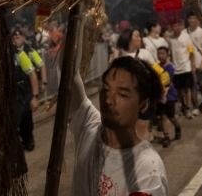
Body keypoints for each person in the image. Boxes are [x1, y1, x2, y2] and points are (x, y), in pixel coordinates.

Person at [70, 56, 168, 196]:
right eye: (106, 89)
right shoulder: (89, 125)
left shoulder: (148, 169)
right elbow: (69, 70)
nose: (109, 100)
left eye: (122, 94)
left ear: (143, 104)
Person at [13, 28, 40, 151]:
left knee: (25, 119)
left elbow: (33, 74)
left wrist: (35, 96)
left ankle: (28, 138)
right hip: (12, 94)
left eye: (18, 37)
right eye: (13, 37)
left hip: (24, 92)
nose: (15, 39)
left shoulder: (21, 54)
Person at [168, 19, 196, 121]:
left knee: (188, 89)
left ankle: (188, 108)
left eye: (177, 26)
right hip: (176, 68)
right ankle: (182, 106)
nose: (176, 28)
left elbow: (191, 51)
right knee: (179, 90)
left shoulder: (186, 37)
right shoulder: (170, 39)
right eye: (174, 26)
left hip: (186, 67)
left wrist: (192, 65)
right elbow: (170, 54)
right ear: (171, 28)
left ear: (180, 26)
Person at [186, 13, 202, 114]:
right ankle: (195, 106)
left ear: (197, 20)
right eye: (190, 18)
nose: (192, 20)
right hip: (189, 65)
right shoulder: (185, 32)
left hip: (201, 63)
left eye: (194, 18)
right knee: (193, 87)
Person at [156, 46, 178, 147]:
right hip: (160, 95)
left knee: (171, 117)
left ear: (167, 54)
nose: (160, 56)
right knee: (163, 116)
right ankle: (166, 137)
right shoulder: (157, 66)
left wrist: (164, 96)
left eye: (162, 53)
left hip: (169, 95)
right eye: (159, 53)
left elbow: (167, 84)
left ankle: (177, 127)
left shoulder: (170, 67)